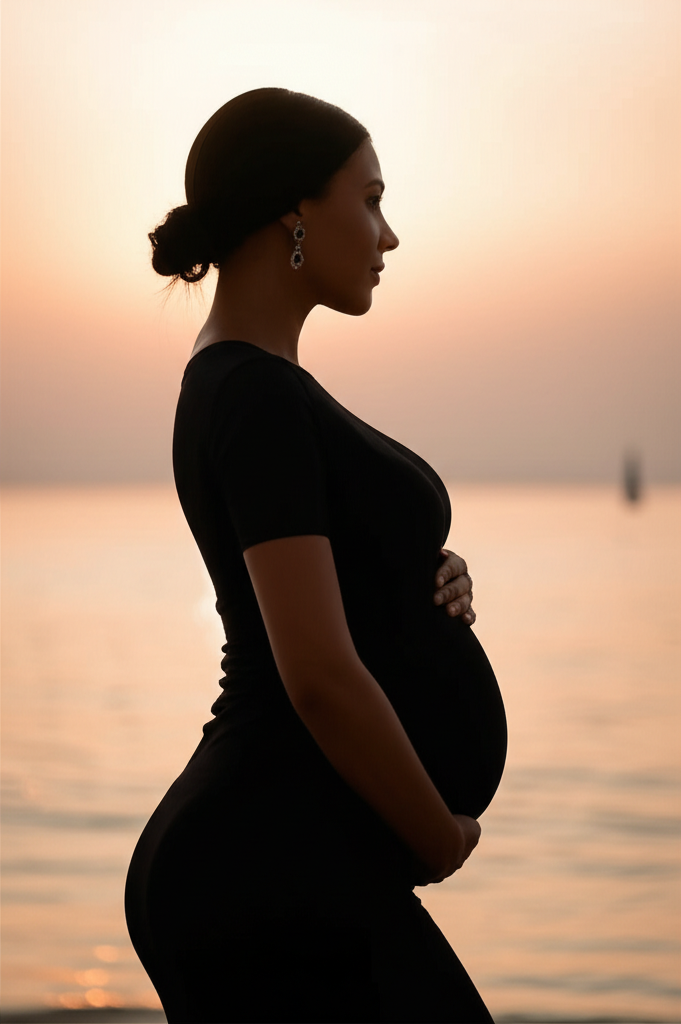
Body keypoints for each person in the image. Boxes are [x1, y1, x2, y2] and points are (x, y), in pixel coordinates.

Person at [125, 87, 507, 1024]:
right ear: (295, 211)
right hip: (261, 867)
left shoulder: (259, 385)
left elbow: (325, 586)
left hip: (294, 853)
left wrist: (422, 566)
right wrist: (437, 834)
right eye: (369, 199)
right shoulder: (252, 395)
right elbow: (318, 675)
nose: (388, 234)